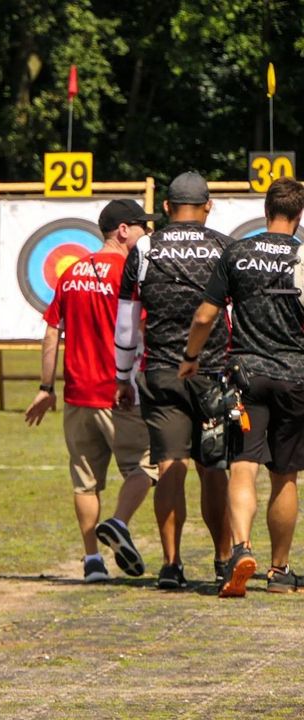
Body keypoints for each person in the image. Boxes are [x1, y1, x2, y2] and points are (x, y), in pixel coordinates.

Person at [179, 176, 304, 597]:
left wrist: (191, 357)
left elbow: (203, 317)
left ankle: (240, 550)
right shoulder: (303, 255)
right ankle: (281, 571)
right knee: (285, 475)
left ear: (266, 210)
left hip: (246, 374)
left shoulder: (238, 252)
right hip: (296, 376)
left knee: (243, 465)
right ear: (299, 215)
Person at [25, 200, 159, 582]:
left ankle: (92, 561)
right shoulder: (131, 274)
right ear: (122, 231)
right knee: (151, 461)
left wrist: (46, 387)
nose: (145, 235)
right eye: (140, 228)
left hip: (76, 395)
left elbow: (53, 331)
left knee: (84, 482)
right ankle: (119, 522)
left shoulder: (71, 274)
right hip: (120, 394)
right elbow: (143, 329)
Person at [114, 171, 233, 589]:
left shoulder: (144, 246)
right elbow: (232, 313)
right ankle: (224, 561)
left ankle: (171, 565)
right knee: (214, 467)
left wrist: (122, 376)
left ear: (166, 207)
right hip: (212, 369)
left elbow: (127, 323)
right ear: (208, 206)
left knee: (169, 465)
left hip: (160, 370)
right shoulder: (223, 247)